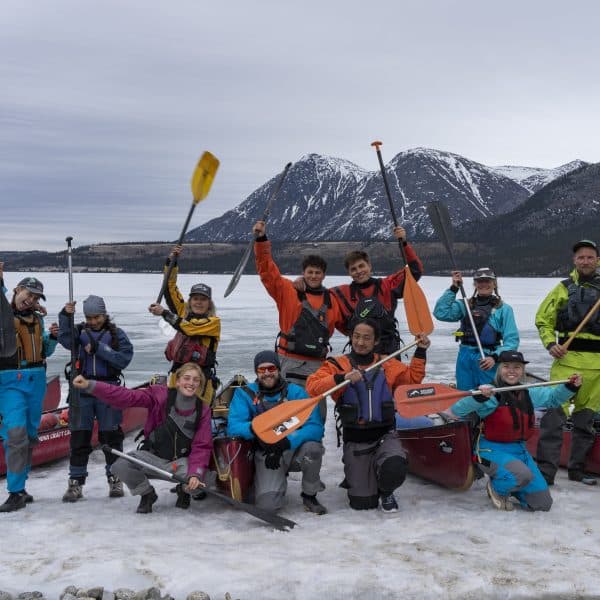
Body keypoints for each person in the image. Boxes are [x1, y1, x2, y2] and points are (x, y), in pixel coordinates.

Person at [306, 319, 430, 512]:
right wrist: (341, 378)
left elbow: (412, 379)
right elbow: (312, 386)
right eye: (356, 337)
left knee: (395, 466)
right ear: (351, 337)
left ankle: (386, 489)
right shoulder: (338, 364)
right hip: (356, 440)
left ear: (376, 341)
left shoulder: (388, 363)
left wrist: (420, 351)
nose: (360, 342)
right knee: (363, 503)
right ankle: (360, 475)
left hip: (385, 436)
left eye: (366, 338)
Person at [444, 351, 581, 511]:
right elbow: (458, 410)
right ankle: (497, 488)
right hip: (490, 450)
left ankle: (513, 484)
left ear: (522, 370)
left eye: (517, 367)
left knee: (542, 504)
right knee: (521, 475)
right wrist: (479, 397)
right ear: (499, 369)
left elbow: (553, 398)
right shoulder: (490, 395)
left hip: (519, 450)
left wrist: (571, 386)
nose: (511, 370)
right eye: (506, 366)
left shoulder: (529, 392)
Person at [72, 362, 212, 513]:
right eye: (187, 378)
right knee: (120, 466)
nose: (191, 383)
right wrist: (91, 385)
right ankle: (147, 494)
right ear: (177, 381)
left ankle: (183, 489)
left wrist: (194, 475)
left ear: (200, 385)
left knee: (201, 482)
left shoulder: (202, 411)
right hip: (153, 458)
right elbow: (127, 396)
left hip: (179, 464)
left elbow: (202, 446)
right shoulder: (160, 396)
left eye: (196, 380)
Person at [253, 220, 343, 419]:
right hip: (289, 362)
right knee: (286, 415)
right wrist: (261, 240)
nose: (313, 276)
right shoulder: (288, 291)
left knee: (315, 416)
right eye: (309, 272)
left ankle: (312, 447)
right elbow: (267, 271)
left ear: (323, 275)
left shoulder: (333, 300)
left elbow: (349, 327)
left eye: (317, 272)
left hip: (317, 366)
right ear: (304, 273)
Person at [227, 350, 327, 515]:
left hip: (294, 450)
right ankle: (265, 482)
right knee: (269, 507)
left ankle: (310, 494)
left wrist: (288, 441)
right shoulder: (244, 394)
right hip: (266, 454)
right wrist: (258, 432)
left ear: (279, 369)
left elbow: (315, 428)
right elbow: (234, 426)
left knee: (314, 448)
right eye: (261, 370)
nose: (267, 373)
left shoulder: (296, 393)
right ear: (256, 372)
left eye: (271, 368)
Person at [535, 239, 600, 486]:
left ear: (597, 260)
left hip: (597, 368)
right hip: (567, 364)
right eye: (581, 257)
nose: (585, 261)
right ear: (574, 261)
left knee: (585, 422)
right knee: (553, 421)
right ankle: (545, 473)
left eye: (590, 257)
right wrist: (551, 344)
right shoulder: (563, 289)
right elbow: (543, 320)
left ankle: (578, 470)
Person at [58, 294, 134, 502]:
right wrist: (66, 316)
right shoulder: (78, 333)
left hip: (108, 388)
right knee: (79, 436)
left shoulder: (117, 335)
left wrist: (99, 349)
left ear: (104, 314)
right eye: (89, 317)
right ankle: (76, 482)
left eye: (97, 317)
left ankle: (115, 477)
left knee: (111, 435)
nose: (92, 321)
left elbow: (123, 359)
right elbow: (65, 339)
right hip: (81, 389)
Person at [0, 268, 58, 512]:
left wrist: (53, 338)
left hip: (36, 382)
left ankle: (21, 487)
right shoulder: (3, 314)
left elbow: (44, 350)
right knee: (15, 436)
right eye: (28, 294)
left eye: (36, 298)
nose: (31, 300)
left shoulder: (37, 318)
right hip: (10, 382)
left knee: (30, 438)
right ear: (16, 290)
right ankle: (14, 492)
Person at [331, 226, 423, 356]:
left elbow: (415, 270)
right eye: (353, 269)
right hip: (359, 355)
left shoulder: (387, 285)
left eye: (361, 266)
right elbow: (318, 297)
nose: (359, 271)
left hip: (388, 353)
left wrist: (403, 243)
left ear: (369, 266)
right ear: (349, 273)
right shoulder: (341, 293)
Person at [149, 245, 221, 404]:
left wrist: (164, 313)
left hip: (200, 378)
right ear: (190, 300)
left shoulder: (214, 323)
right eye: (195, 299)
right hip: (178, 375)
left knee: (198, 418)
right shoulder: (183, 312)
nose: (199, 302)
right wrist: (172, 262)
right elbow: (169, 288)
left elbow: (191, 328)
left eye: (203, 299)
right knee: (173, 415)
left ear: (209, 303)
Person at [433, 268, 519, 391]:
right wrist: (453, 288)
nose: (483, 284)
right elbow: (440, 313)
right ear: (475, 284)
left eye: (487, 281)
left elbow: (512, 341)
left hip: (487, 358)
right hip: (465, 357)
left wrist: (495, 358)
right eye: (480, 281)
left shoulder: (504, 309)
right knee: (466, 394)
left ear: (494, 283)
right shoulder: (465, 305)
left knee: (488, 398)